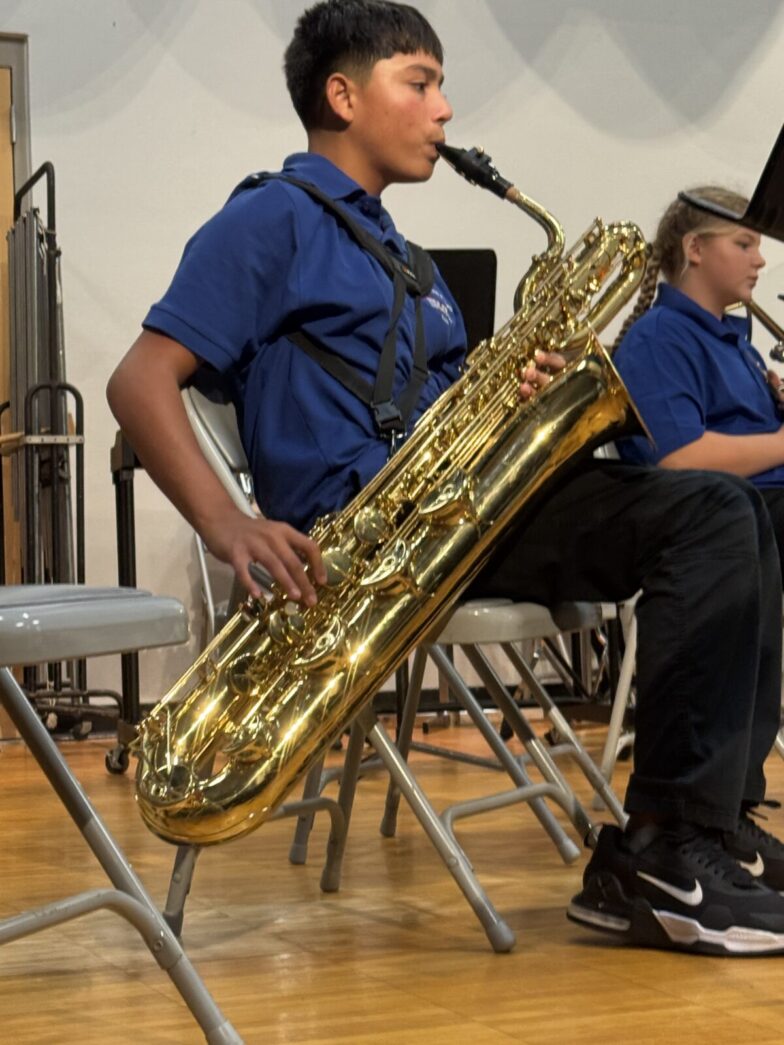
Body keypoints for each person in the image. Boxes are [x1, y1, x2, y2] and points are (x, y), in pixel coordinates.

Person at [107, 0, 784, 955]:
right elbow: (139, 381)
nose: (445, 110)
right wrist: (229, 524)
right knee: (710, 510)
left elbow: (430, 402)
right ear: (342, 96)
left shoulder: (405, 255)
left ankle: (707, 823)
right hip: (374, 533)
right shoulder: (269, 218)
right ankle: (668, 848)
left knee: (744, 511)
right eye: (419, 83)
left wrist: (514, 390)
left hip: (455, 507)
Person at [612, 188, 784, 567]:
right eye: (744, 245)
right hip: (736, 518)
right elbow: (680, 457)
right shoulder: (660, 337)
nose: (759, 260)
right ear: (695, 249)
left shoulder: (738, 344)